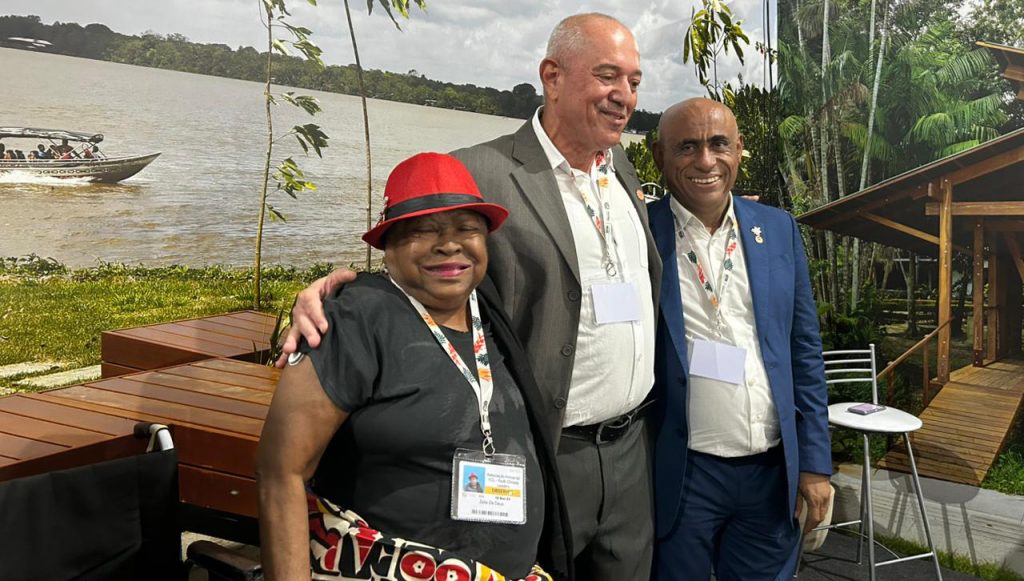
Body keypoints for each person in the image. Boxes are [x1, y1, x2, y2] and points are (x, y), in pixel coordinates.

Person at [281, 13, 660, 581]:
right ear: (551, 76)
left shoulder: (622, 166)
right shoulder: (482, 169)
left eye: (633, 81)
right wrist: (330, 293)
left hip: (631, 449)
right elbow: (418, 259)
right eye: (608, 76)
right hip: (543, 449)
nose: (623, 96)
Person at [257, 152, 572, 581]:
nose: (449, 244)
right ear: (387, 246)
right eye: (424, 231)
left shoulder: (491, 310)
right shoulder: (355, 320)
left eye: (468, 229)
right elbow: (281, 473)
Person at [646, 97, 831, 580]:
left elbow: (804, 350)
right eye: (687, 147)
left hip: (771, 472)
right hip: (684, 472)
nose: (705, 161)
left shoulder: (777, 228)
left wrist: (813, 463)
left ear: (739, 149)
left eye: (718, 144)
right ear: (659, 156)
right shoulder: (640, 231)